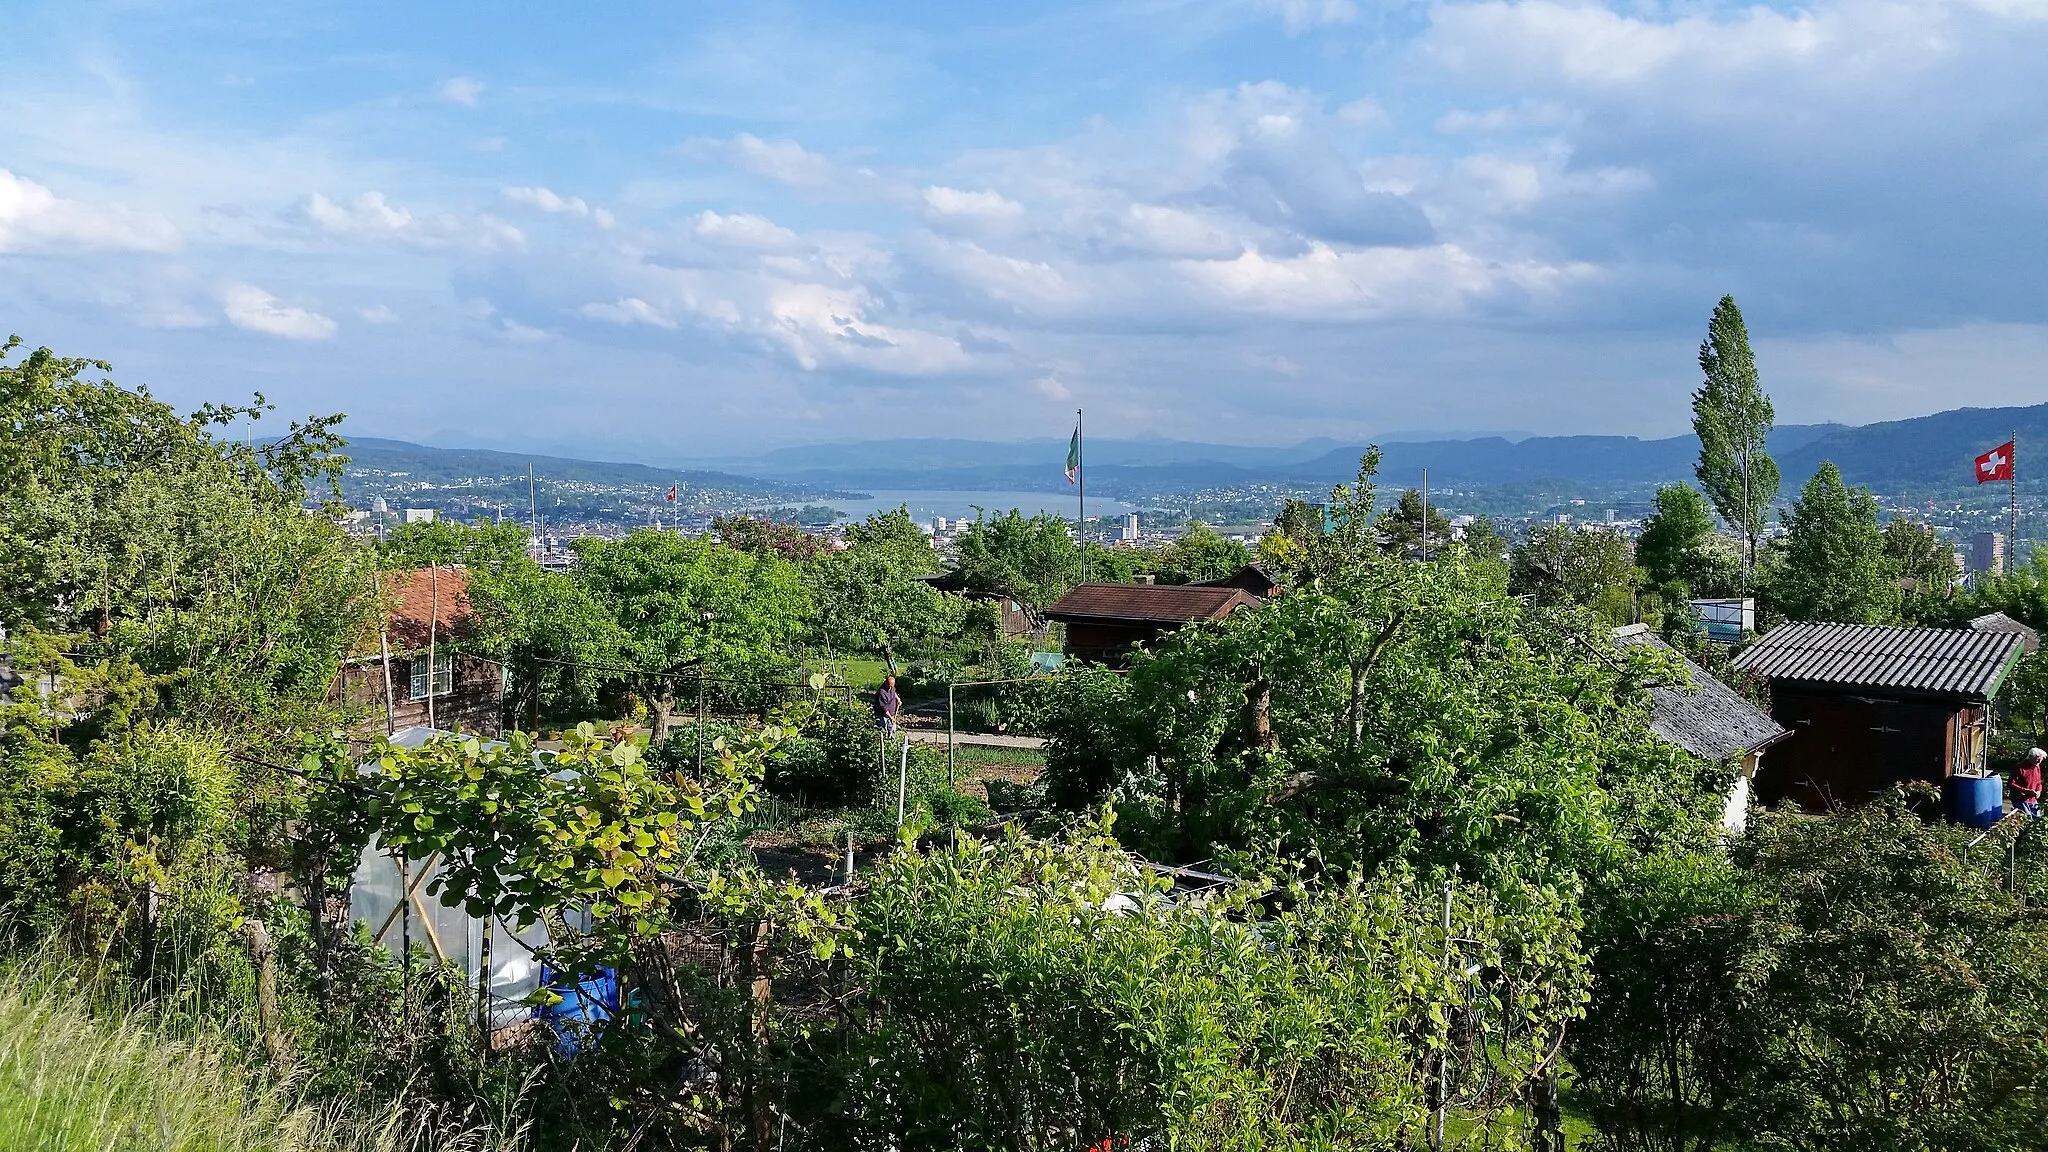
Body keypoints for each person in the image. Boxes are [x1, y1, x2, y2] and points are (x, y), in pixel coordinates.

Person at [2011, 747, 2045, 818]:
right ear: (2030, 757)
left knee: (2037, 819)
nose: (2039, 762)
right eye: (2037, 759)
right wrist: (2025, 790)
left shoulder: (2037, 767)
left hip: (2033, 799)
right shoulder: (2020, 767)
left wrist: (2039, 791)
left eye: (2041, 759)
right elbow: (2011, 783)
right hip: (2020, 799)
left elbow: (2039, 782)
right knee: (2027, 818)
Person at [874, 676, 901, 740]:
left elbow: (894, 693)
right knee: (883, 730)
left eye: (892, 686)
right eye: (889, 686)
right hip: (882, 715)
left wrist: (898, 699)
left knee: (892, 729)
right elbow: (884, 708)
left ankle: (892, 743)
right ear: (886, 683)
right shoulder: (881, 693)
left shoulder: (891, 687)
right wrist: (891, 718)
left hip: (891, 713)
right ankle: (883, 743)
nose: (891, 688)